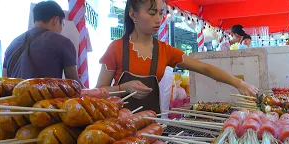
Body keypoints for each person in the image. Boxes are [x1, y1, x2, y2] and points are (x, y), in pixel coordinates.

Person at [96, 0, 259, 113]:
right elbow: (97, 92)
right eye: (152, 13)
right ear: (133, 15)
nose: (158, 19)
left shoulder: (164, 50)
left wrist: (238, 82)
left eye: (160, 13)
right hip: (118, 130)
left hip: (152, 129)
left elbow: (203, 67)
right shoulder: (116, 48)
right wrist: (123, 88)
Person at [3, 1, 81, 84]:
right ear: (56, 20)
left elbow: (4, 83)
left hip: (13, 96)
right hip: (44, 97)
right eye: (63, 24)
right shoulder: (63, 43)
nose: (61, 29)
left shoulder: (12, 45)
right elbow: (75, 86)